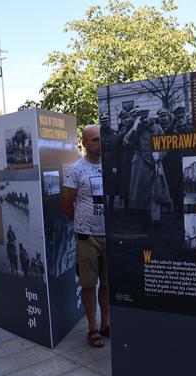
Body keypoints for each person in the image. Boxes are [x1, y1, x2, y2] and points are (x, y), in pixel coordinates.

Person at [61, 124, 109, 347]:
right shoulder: (75, 170)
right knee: (89, 284)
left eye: (101, 139)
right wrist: (83, 223)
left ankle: (106, 323)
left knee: (108, 283)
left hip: (109, 234)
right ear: (85, 143)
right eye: (94, 139)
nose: (99, 143)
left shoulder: (110, 166)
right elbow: (66, 205)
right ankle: (92, 328)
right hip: (86, 237)